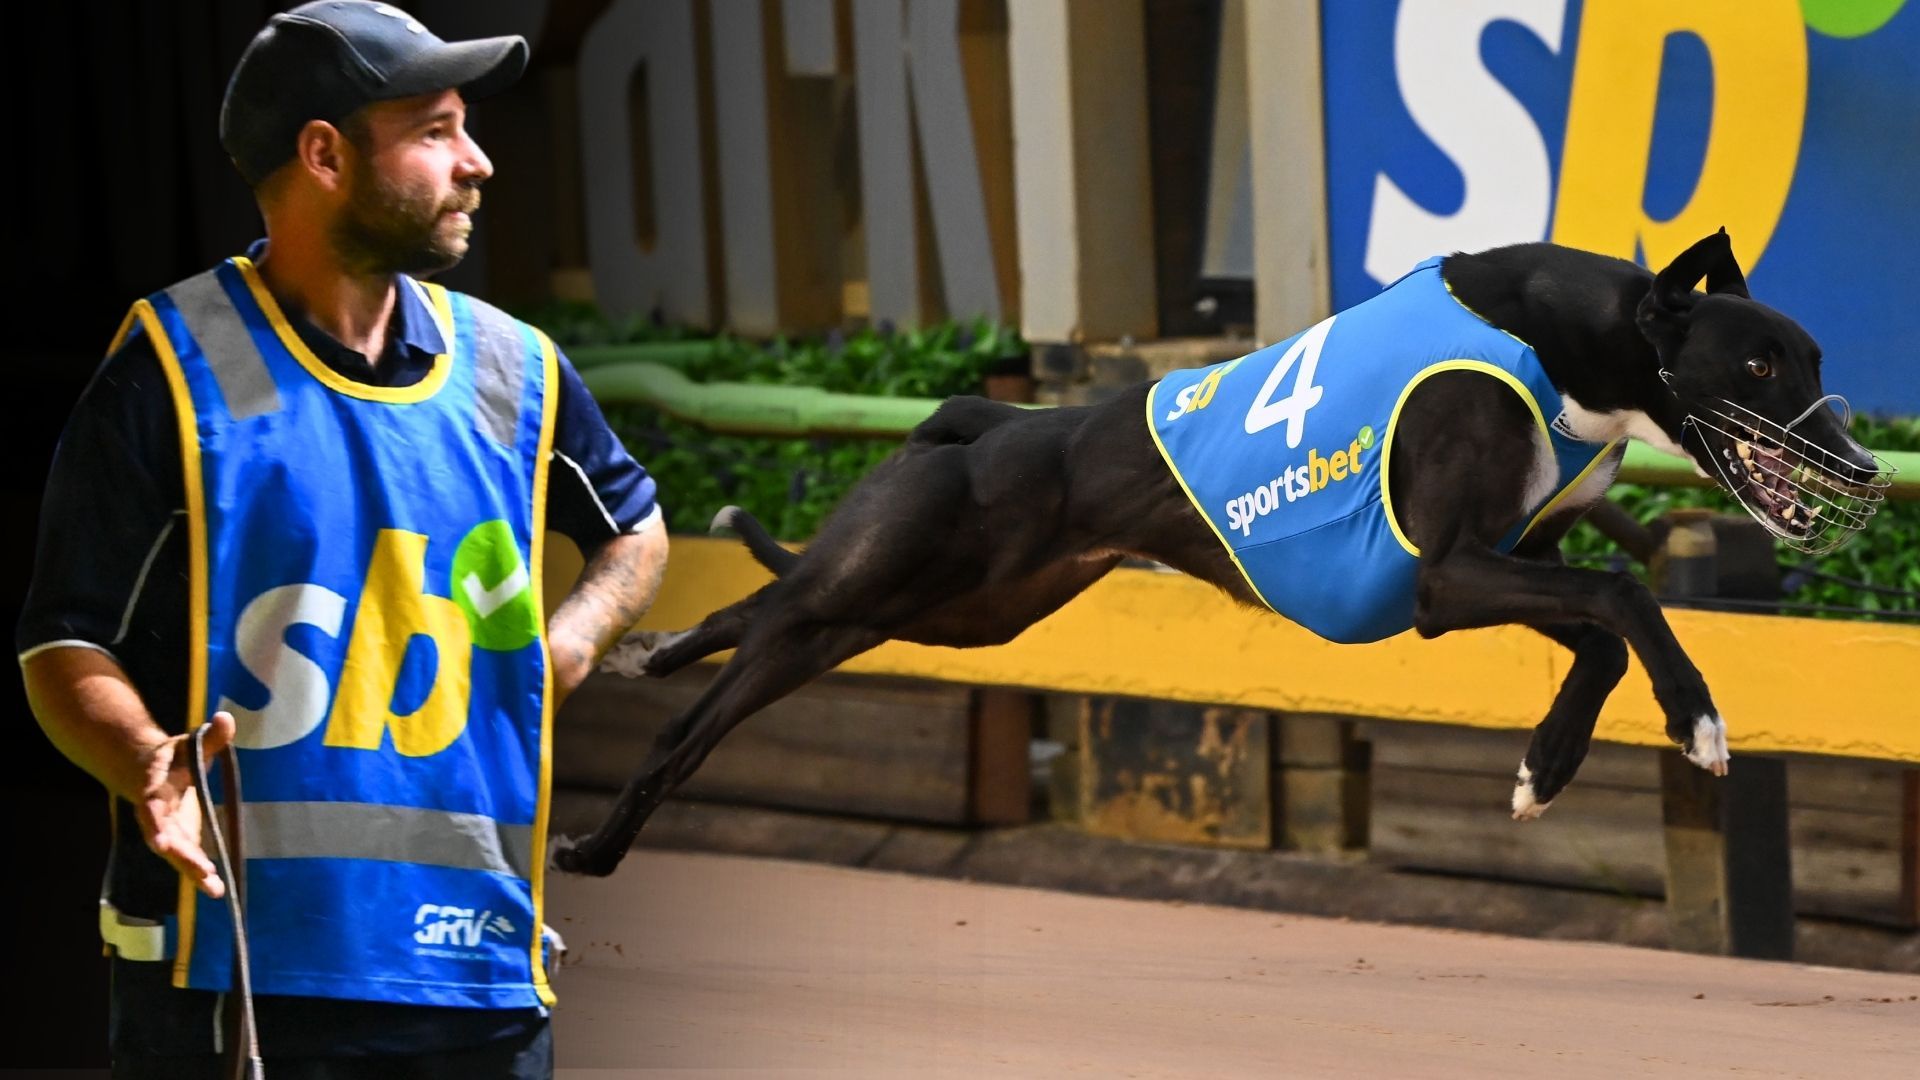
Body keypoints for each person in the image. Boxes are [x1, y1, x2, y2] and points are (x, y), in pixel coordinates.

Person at [18, 3, 669, 1075]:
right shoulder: (172, 371)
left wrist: (568, 644)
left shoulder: (513, 369)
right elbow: (61, 641)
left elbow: (632, 527)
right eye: (437, 131)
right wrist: (143, 761)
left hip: (476, 974)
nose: (478, 163)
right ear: (324, 155)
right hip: (236, 974)